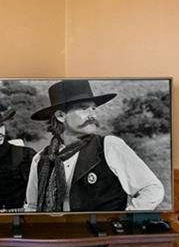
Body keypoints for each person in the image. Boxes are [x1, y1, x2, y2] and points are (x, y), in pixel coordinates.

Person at [24, 80, 164, 212]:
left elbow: (152, 189)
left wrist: (122, 218)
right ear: (61, 116)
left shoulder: (109, 146)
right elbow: (32, 207)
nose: (93, 115)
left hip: (101, 230)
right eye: (84, 108)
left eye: (93, 109)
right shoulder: (41, 159)